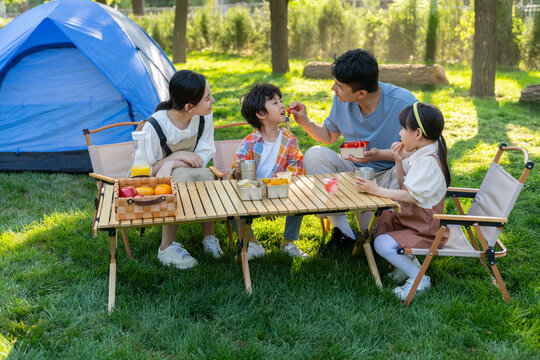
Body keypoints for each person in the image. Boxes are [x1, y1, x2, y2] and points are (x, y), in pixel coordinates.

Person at [287, 49, 418, 253]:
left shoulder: (404, 103)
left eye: (339, 86)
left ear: (361, 93)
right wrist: (305, 122)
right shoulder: (341, 100)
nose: (333, 89)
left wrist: (379, 155)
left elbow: (420, 151)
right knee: (315, 154)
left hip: (390, 174)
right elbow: (329, 136)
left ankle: (386, 231)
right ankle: (343, 233)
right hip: (353, 170)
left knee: (374, 237)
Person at [355, 102, 451, 301]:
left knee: (381, 243)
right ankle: (405, 266)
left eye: (402, 129)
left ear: (417, 134)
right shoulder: (421, 154)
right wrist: (398, 161)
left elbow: (410, 196)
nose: (399, 134)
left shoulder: (427, 162)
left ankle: (420, 278)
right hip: (413, 220)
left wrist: (376, 190)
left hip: (425, 228)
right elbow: (404, 185)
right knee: (384, 219)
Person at [138, 70, 224, 269]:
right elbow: (144, 171)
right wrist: (176, 157)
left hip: (188, 171)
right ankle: (166, 246)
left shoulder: (203, 117)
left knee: (203, 173)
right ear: (189, 107)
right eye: (207, 98)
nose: (213, 100)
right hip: (153, 184)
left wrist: (172, 162)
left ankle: (209, 237)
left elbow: (203, 155)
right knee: (182, 177)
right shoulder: (154, 126)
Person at [232, 83, 309, 260]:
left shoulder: (290, 140)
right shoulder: (249, 143)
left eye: (280, 100)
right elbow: (237, 176)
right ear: (260, 114)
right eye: (274, 103)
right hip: (254, 194)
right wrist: (237, 171)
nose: (282, 105)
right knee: (230, 204)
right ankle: (252, 243)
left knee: (301, 193)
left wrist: (274, 190)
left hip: (282, 192)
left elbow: (297, 169)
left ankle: (288, 243)